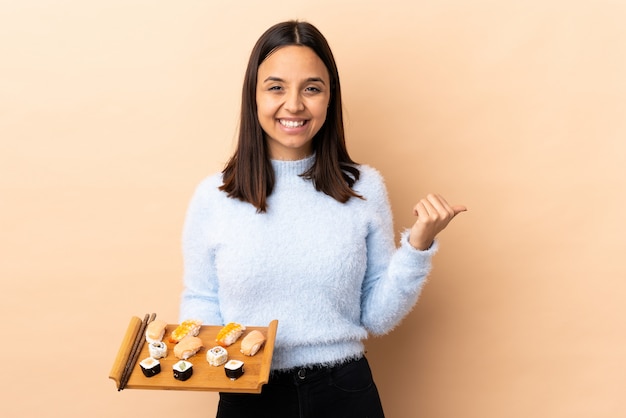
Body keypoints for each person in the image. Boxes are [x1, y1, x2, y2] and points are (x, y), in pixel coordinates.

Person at [179, 20, 466, 418]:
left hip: (344, 393)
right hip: (247, 394)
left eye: (311, 88)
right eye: (276, 87)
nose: (294, 104)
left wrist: (417, 246)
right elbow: (200, 300)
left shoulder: (364, 188)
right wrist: (221, 359)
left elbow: (377, 317)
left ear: (329, 99)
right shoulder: (214, 197)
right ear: (254, 96)